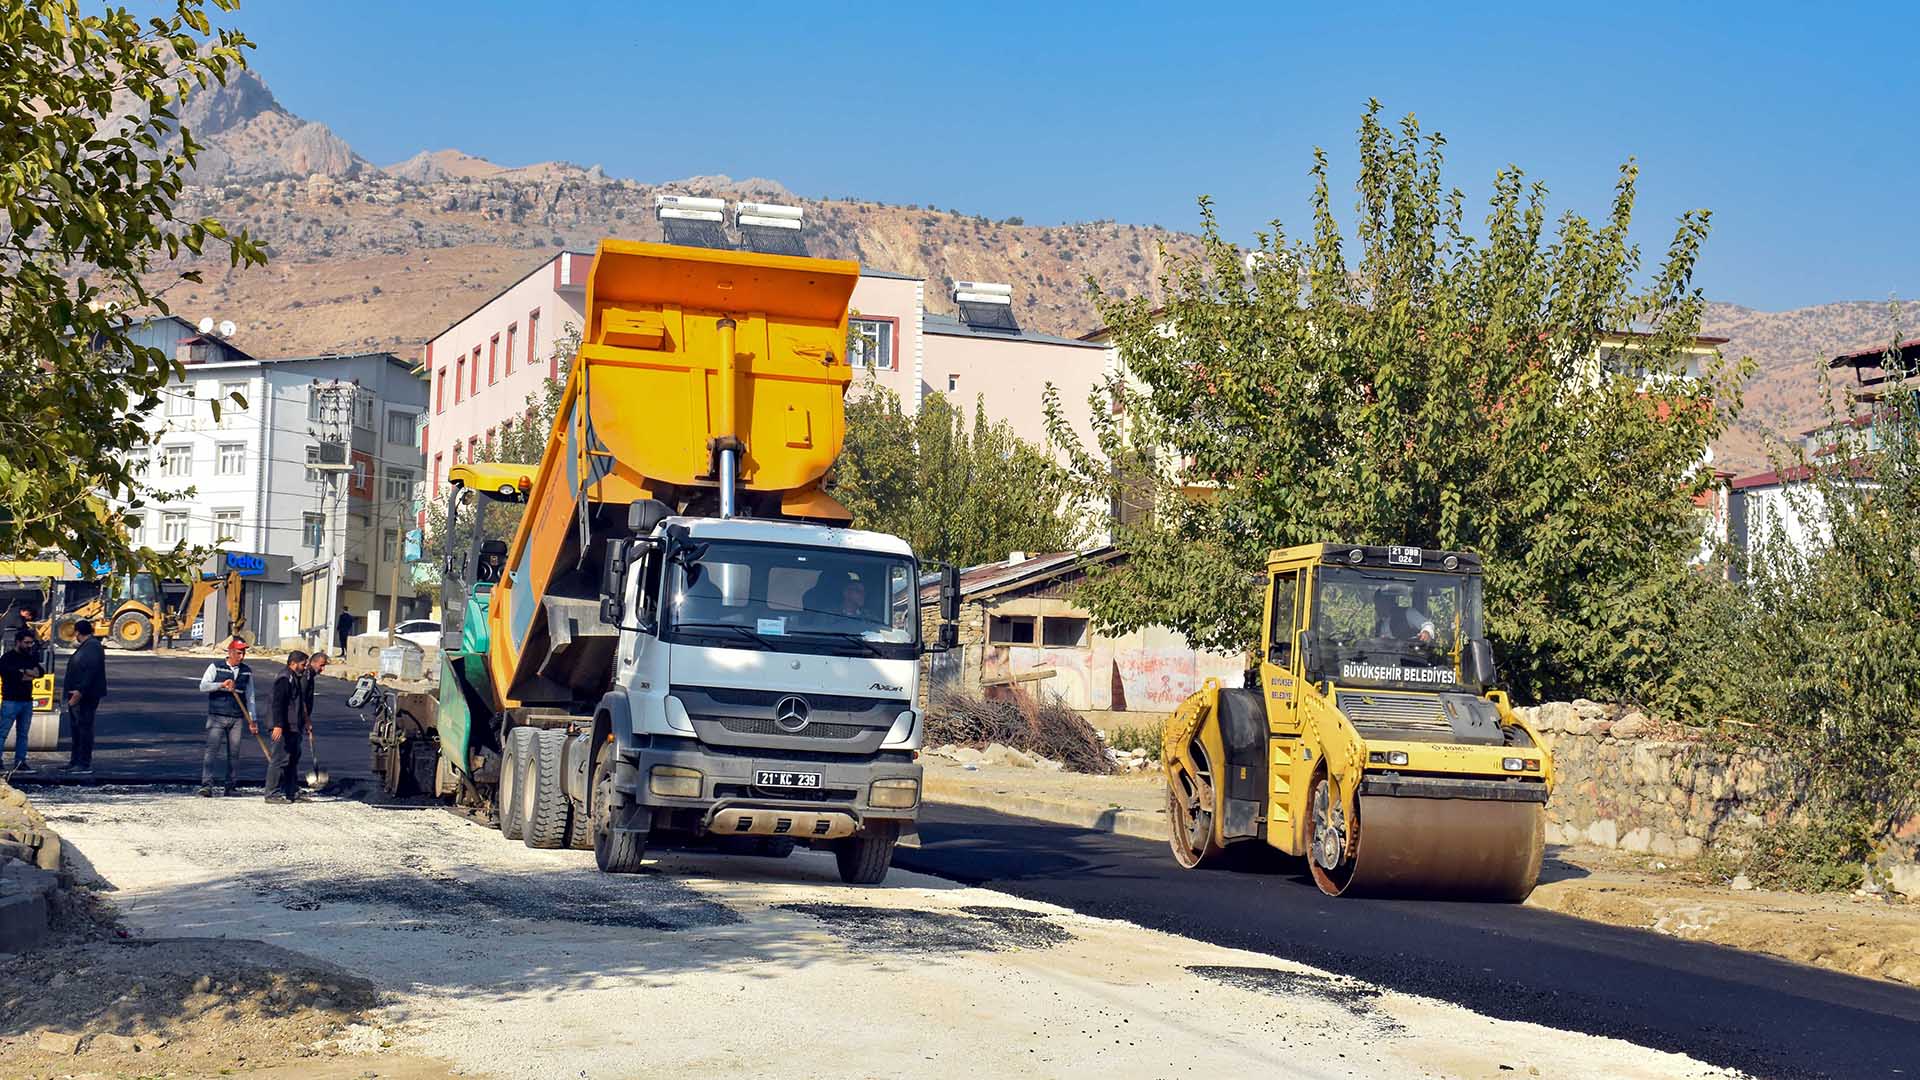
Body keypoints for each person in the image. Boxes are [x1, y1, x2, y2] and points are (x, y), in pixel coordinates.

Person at [196, 638, 257, 797]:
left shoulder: (246, 671)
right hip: (217, 716)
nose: (242, 656)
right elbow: (203, 686)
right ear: (230, 652)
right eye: (238, 653)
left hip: (237, 718)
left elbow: (250, 697)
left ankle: (230, 786)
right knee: (212, 751)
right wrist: (221, 685)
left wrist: (252, 720)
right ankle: (206, 785)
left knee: (234, 753)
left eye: (243, 653)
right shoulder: (215, 667)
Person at [62, 619, 107, 773]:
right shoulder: (89, 646)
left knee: (84, 728)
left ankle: (83, 763)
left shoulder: (92, 647)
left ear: (77, 632)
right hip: (79, 693)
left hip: (85, 695)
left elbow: (91, 671)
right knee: (77, 728)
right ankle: (75, 761)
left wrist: (79, 691)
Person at [264, 651, 309, 804]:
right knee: (279, 759)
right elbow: (278, 703)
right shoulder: (284, 678)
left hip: (292, 726)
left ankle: (291, 791)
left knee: (291, 759)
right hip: (282, 726)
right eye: (303, 664)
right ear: (294, 663)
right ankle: (272, 793)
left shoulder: (294, 678)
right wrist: (278, 725)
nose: (304, 668)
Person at [0, 631, 45, 773]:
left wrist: (25, 673)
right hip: (11, 700)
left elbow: (41, 672)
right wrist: (27, 673)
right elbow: (10, 675)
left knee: (23, 734)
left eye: (31, 643)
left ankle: (20, 762)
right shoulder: (7, 658)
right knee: (2, 733)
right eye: (26, 642)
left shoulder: (30, 657)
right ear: (18, 642)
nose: (29, 645)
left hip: (26, 701)